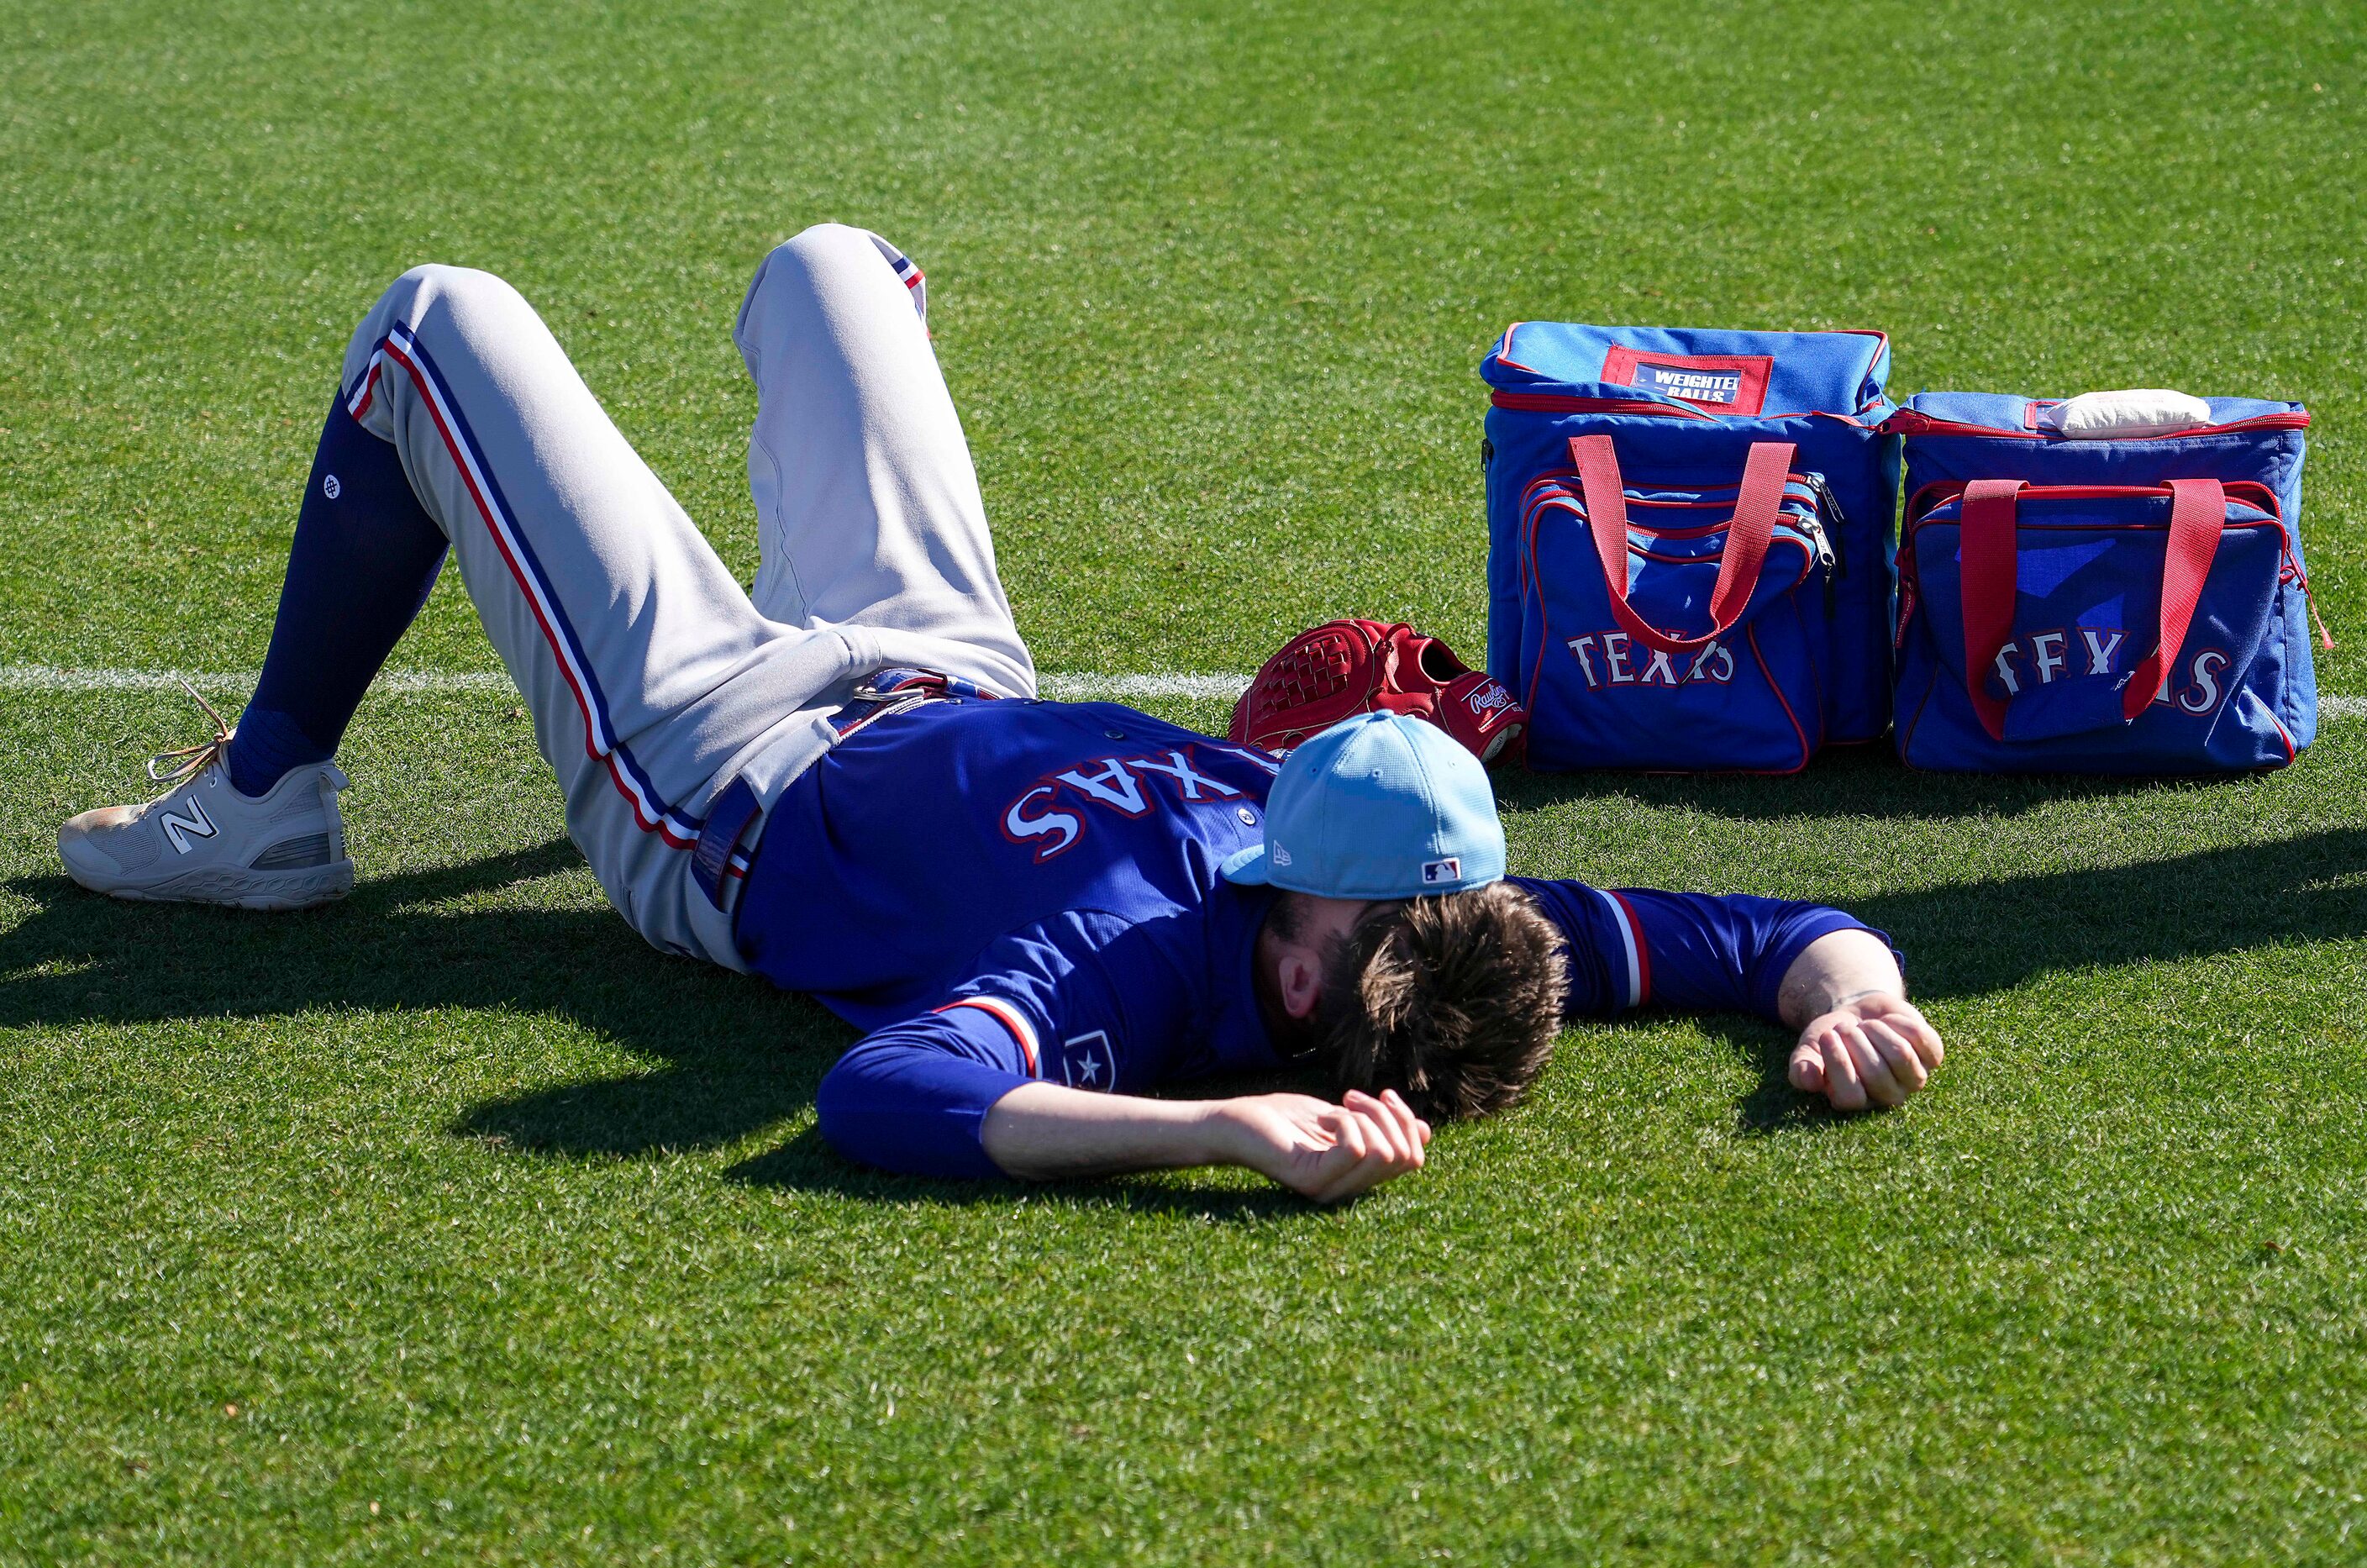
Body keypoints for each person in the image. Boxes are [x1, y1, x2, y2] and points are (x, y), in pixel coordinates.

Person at [56, 225, 1945, 1201]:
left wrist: (1224, 1136)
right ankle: (841, 324)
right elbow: (1762, 939)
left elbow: (888, 1095)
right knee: (830, 267)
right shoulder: (1441, 929)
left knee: (433, 321)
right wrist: (1855, 1009)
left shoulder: (1125, 966)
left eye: (1283, 839)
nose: (1268, 786)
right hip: (945, 662)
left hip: (721, 765)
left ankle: (268, 802)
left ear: (1296, 980)